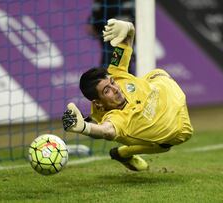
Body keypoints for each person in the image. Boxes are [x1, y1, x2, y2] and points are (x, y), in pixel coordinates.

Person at [62, 19, 193, 171]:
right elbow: (107, 131)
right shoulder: (117, 118)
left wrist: (127, 27)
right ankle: (122, 152)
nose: (115, 88)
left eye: (112, 82)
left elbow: (127, 40)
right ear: (98, 103)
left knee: (160, 142)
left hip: (161, 82)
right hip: (179, 125)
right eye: (107, 90)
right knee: (164, 144)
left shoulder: (115, 71)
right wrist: (85, 128)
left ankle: (121, 153)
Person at [87, 0, 136, 73]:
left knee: (118, 71)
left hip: (123, 47)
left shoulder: (134, 3)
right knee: (115, 71)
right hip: (111, 47)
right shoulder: (101, 3)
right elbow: (90, 28)